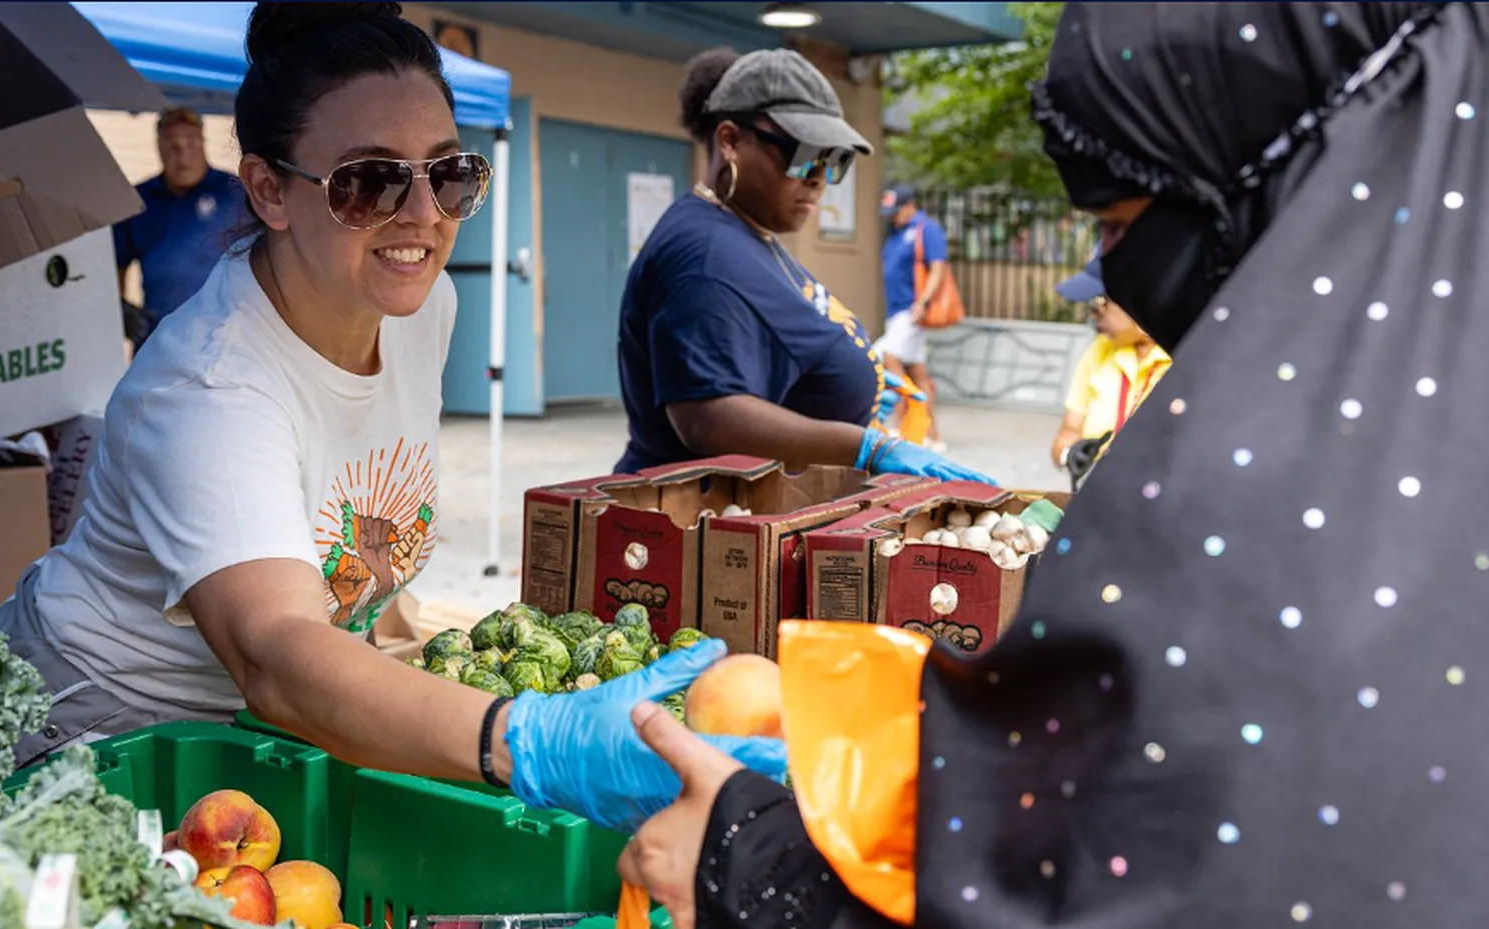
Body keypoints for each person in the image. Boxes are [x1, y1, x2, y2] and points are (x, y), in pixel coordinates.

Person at [617, 2, 1489, 925]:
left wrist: (755, 859)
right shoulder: (1390, 415)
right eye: (806, 157)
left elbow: (1090, 860)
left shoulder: (1256, 513)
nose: (1110, 272)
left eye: (1117, 223)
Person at [0, 2, 783, 835]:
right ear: (268, 190)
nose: (424, 215)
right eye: (369, 182)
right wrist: (522, 739)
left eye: (449, 174)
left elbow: (351, 556)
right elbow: (276, 652)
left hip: (260, 748)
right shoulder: (205, 391)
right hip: (93, 745)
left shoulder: (422, 308)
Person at [613, 47, 992, 486]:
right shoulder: (705, 252)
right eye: (804, 153)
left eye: (835, 160)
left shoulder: (748, 231)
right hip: (703, 525)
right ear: (730, 140)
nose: (818, 177)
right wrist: (867, 447)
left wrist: (855, 374)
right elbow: (707, 417)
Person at [113, 107, 250, 351]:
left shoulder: (235, 193)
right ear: (159, 147)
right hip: (158, 342)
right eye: (173, 146)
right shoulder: (138, 200)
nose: (183, 156)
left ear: (203, 143)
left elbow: (272, 252)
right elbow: (115, 262)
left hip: (225, 340)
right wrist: (120, 308)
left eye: (191, 144)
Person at [1050, 247, 1172, 475]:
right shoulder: (1098, 351)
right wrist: (1071, 453)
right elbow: (1067, 432)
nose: (1093, 315)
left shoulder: (1185, 359)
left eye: (1099, 303)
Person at [876, 183, 950, 452]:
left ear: (910, 206)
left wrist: (923, 302)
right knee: (917, 373)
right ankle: (932, 436)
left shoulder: (925, 228)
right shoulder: (897, 231)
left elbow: (938, 267)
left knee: (888, 357)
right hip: (896, 311)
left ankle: (904, 426)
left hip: (911, 310)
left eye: (896, 211)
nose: (893, 216)